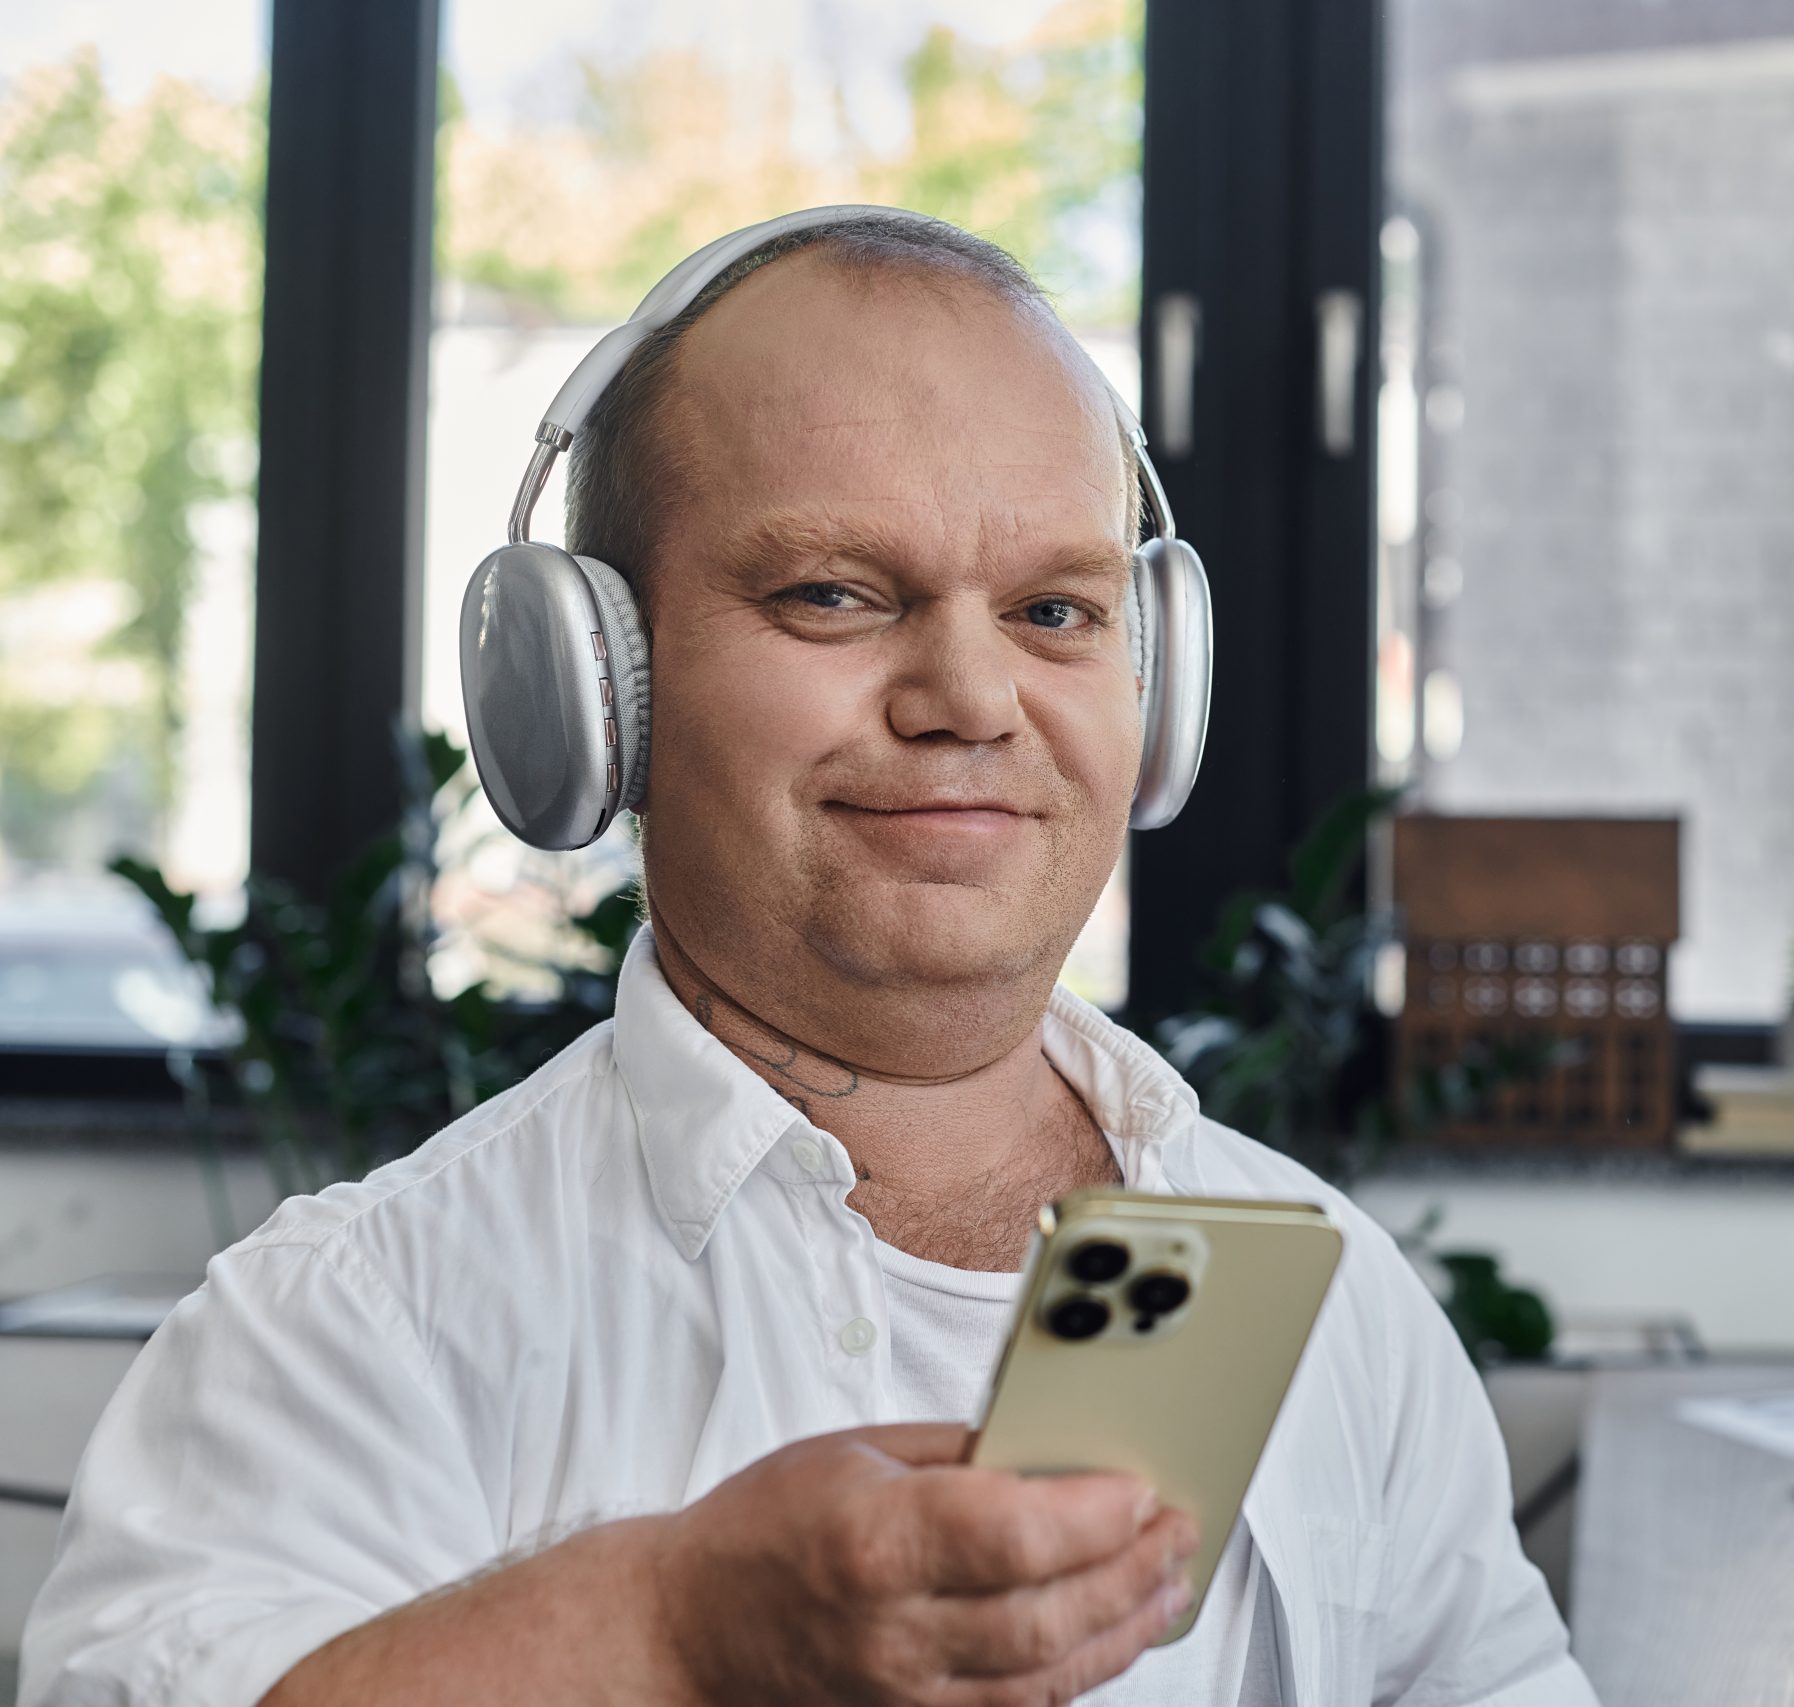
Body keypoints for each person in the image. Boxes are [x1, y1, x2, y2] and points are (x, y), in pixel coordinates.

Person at [21, 209, 1593, 1707]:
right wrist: (668, 1647)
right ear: (594, 698)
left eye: (1054, 609)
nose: (972, 697)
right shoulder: (350, 1329)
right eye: (834, 594)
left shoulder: (1334, 1300)